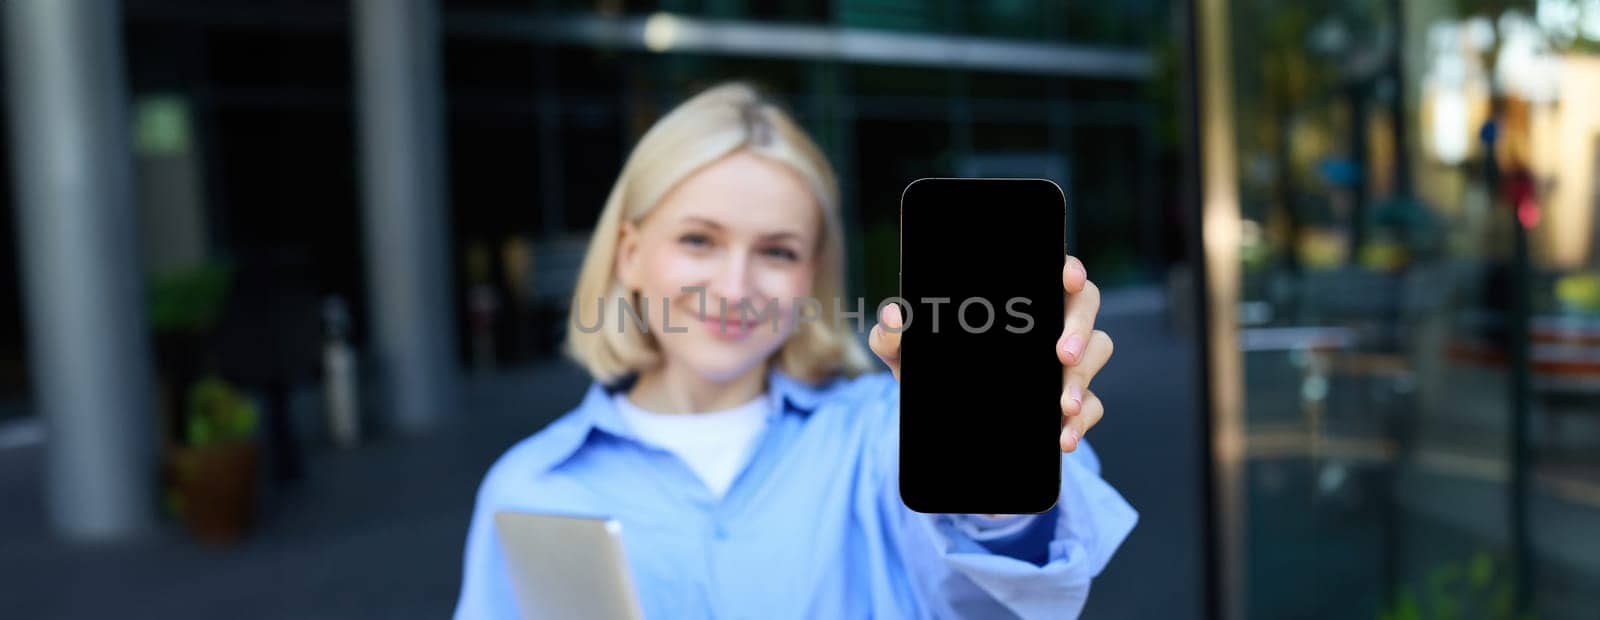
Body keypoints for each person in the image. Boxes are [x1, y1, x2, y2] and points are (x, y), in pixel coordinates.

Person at [453, 82, 1134, 619]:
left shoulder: (885, 434)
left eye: (777, 251)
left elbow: (997, 603)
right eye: (699, 240)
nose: (735, 286)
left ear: (811, 277)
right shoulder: (529, 487)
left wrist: (998, 478)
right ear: (630, 255)